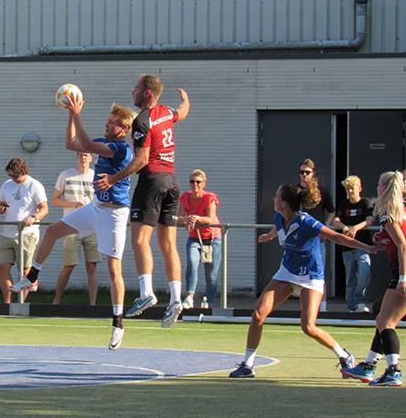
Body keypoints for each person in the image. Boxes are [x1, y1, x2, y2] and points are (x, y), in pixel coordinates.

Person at [9, 96, 136, 350]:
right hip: (95, 208)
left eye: (111, 122)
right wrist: (69, 113)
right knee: (53, 230)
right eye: (107, 120)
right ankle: (31, 276)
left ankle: (118, 323)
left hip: (114, 215)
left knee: (113, 271)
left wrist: (77, 113)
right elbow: (71, 144)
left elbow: (86, 142)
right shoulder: (103, 142)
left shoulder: (121, 149)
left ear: (123, 129)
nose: (107, 124)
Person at [229, 179, 378, 379]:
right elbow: (278, 230)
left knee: (308, 327)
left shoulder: (307, 222)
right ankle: (248, 366)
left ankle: (344, 356)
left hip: (311, 276)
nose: (273, 198)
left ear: (284, 203)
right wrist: (269, 236)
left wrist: (366, 247)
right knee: (257, 315)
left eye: (277, 196)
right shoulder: (278, 217)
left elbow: (336, 237)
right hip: (287, 273)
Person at [94, 74, 190, 328]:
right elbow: (183, 112)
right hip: (172, 180)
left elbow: (141, 160)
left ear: (147, 93)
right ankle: (176, 299)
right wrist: (186, 100)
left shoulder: (142, 121)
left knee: (139, 240)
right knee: (168, 244)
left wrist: (113, 178)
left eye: (136, 88)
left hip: (152, 181)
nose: (132, 92)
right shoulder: (167, 112)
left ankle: (146, 292)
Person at [340, 171, 406, 387]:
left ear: (385, 188)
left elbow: (403, 245)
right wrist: (382, 238)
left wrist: (403, 279)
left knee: (386, 322)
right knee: (382, 320)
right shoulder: (398, 212)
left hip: (401, 275)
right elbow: (396, 239)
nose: (376, 188)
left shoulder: (389, 215)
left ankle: (394, 371)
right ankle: (368, 367)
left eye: (378, 184)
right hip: (399, 275)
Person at [0, 157, 48, 303]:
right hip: (7, 233)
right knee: (1, 267)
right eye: (10, 175)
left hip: (27, 234)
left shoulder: (34, 185)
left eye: (15, 176)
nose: (12, 178)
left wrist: (34, 217)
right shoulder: (6, 185)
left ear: (23, 172)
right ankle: (7, 303)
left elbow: (44, 209)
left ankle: (21, 305)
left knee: (26, 271)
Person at [51, 151, 100, 306]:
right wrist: (72, 204)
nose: (83, 158)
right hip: (71, 226)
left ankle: (93, 304)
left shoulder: (97, 176)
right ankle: (56, 300)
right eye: (80, 155)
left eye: (86, 155)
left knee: (92, 266)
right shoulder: (66, 175)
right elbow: (55, 200)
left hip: (92, 227)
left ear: (91, 158)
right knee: (68, 266)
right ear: (76, 157)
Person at [178, 169, 222, 310]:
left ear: (203, 184)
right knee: (192, 262)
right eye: (192, 181)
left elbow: (209, 219)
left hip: (213, 238)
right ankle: (190, 297)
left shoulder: (209, 198)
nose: (195, 184)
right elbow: (179, 219)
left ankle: (210, 303)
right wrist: (186, 219)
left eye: (198, 182)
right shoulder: (185, 197)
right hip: (195, 237)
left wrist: (196, 217)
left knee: (211, 275)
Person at [298, 158, 335, 312]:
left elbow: (332, 211)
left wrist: (325, 227)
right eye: (301, 172)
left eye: (307, 172)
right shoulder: (296, 191)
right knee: (300, 273)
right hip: (300, 238)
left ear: (313, 173)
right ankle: (305, 306)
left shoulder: (322, 191)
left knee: (318, 271)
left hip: (317, 238)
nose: (304, 175)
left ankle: (323, 305)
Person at [333, 175, 374, 313]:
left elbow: (369, 221)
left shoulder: (365, 202)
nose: (350, 191)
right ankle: (352, 308)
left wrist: (355, 228)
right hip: (347, 247)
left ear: (360, 188)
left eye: (353, 188)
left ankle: (360, 301)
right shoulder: (344, 204)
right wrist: (344, 227)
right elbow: (335, 221)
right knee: (350, 278)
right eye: (348, 189)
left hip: (363, 245)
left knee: (364, 271)